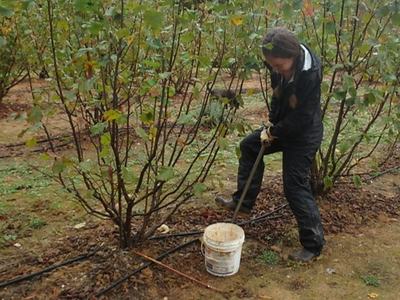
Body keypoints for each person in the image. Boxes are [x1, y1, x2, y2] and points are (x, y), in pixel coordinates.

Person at [215, 27, 325, 262]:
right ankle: (243, 202)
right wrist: (271, 124)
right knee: (249, 146)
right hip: (283, 126)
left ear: (293, 57)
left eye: (279, 66)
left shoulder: (310, 73)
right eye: (271, 65)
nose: (274, 70)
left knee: (294, 186)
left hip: (304, 134)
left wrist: (275, 131)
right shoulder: (277, 62)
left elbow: (303, 117)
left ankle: (313, 245)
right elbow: (277, 95)